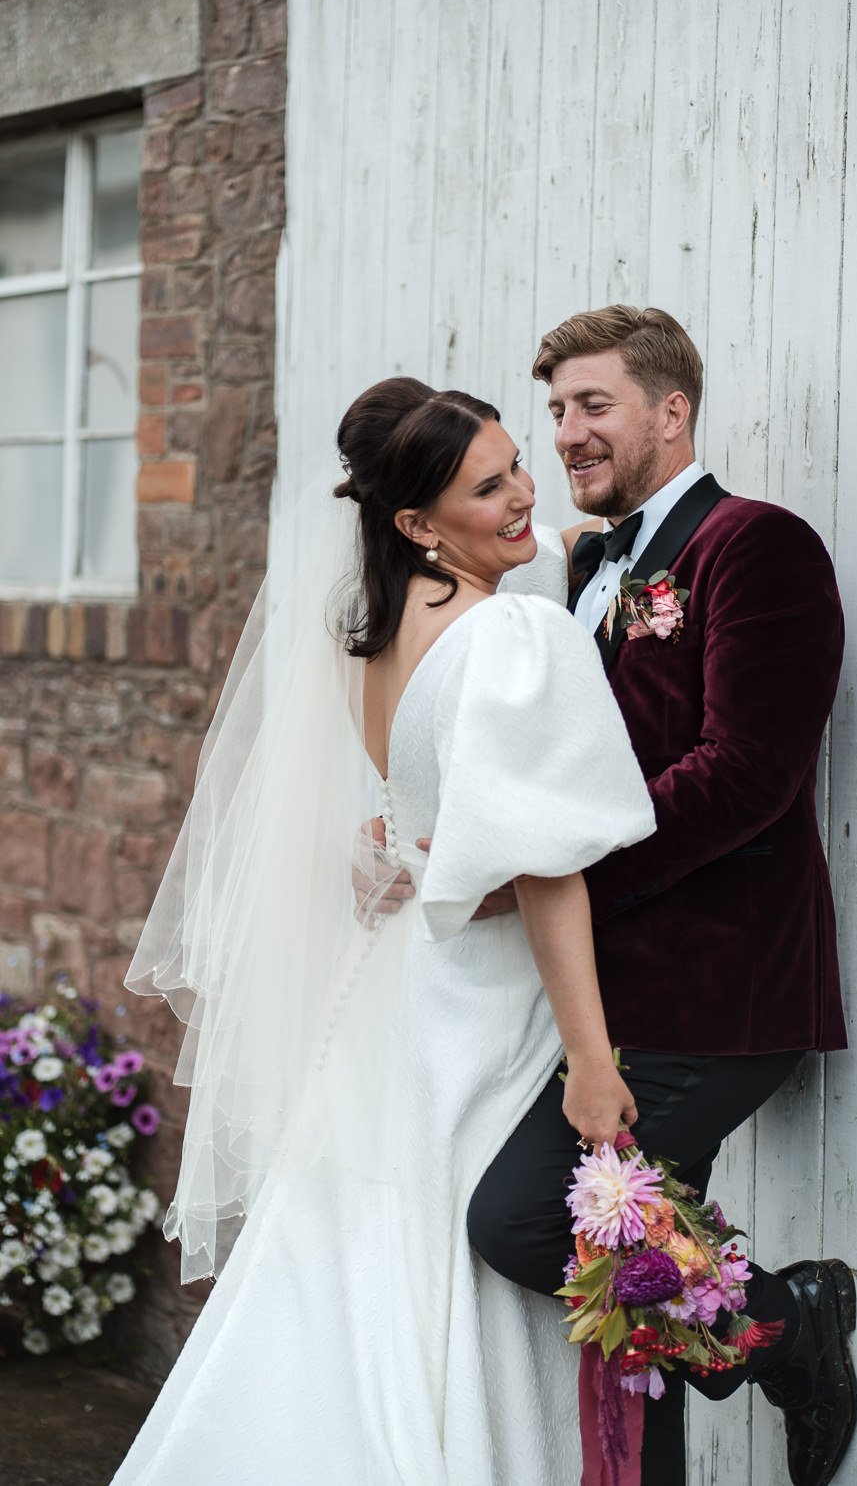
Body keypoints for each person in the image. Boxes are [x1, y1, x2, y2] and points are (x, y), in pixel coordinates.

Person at [110, 378, 657, 1484]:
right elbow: (546, 873)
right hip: (486, 1002)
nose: (521, 496)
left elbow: (410, 806)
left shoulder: (379, 614)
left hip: (398, 988)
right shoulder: (511, 636)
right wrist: (591, 1067)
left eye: (517, 466)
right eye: (486, 485)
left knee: (359, 1261)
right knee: (444, 1277)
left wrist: (586, 527)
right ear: (415, 520)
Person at [437, 306, 856, 1486]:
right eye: (559, 409)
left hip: (721, 993)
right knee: (628, 1304)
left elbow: (751, 772)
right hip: (605, 1001)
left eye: (595, 405)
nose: (567, 431)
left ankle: (786, 1324)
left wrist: (560, 870)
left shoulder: (757, 544)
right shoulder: (585, 563)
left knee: (524, 1224)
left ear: (671, 412)